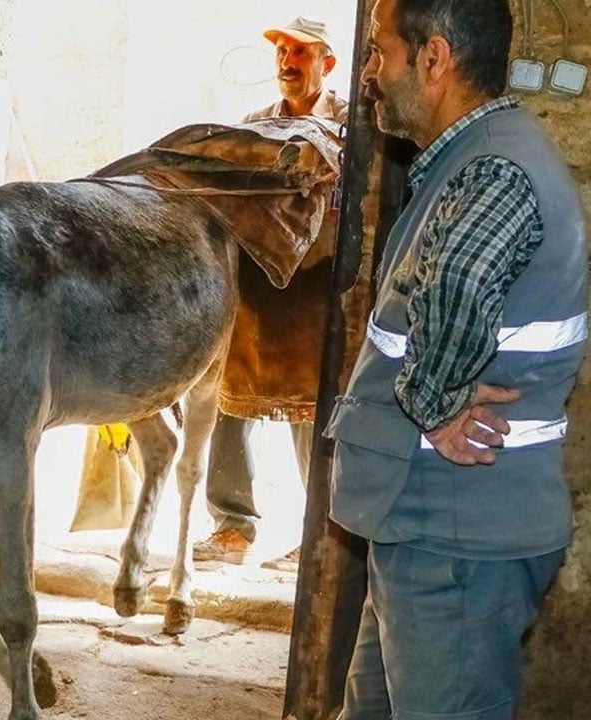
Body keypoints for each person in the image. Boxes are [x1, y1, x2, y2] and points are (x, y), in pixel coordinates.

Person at [328, 0, 585, 716]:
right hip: (424, 526)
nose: (371, 73)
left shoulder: (494, 171)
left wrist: (435, 402)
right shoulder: (471, 160)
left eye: (381, 53)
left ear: (434, 59)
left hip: (460, 539)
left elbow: (464, 280)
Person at [193, 16, 348, 571]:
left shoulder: (352, 127)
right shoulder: (255, 126)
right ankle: (232, 527)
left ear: (326, 64)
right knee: (232, 400)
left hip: (318, 288)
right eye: (281, 51)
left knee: (315, 408)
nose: (287, 61)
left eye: (300, 52)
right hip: (258, 286)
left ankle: (319, 537)